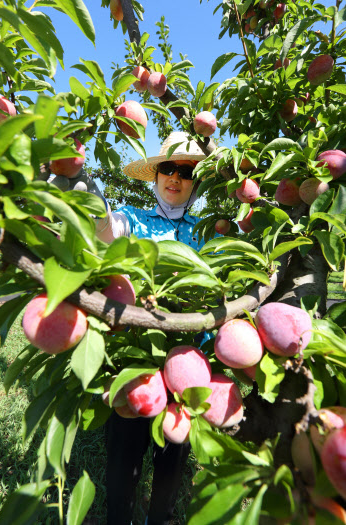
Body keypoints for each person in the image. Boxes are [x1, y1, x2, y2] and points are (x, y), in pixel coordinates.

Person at [91, 131, 213, 525]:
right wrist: (92, 204)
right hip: (133, 358)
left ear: (195, 181)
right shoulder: (135, 219)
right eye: (167, 169)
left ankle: (158, 519)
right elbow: (107, 230)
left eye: (185, 171)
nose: (174, 178)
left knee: (171, 461)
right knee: (124, 455)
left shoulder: (208, 230)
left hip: (187, 364)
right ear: (156, 177)